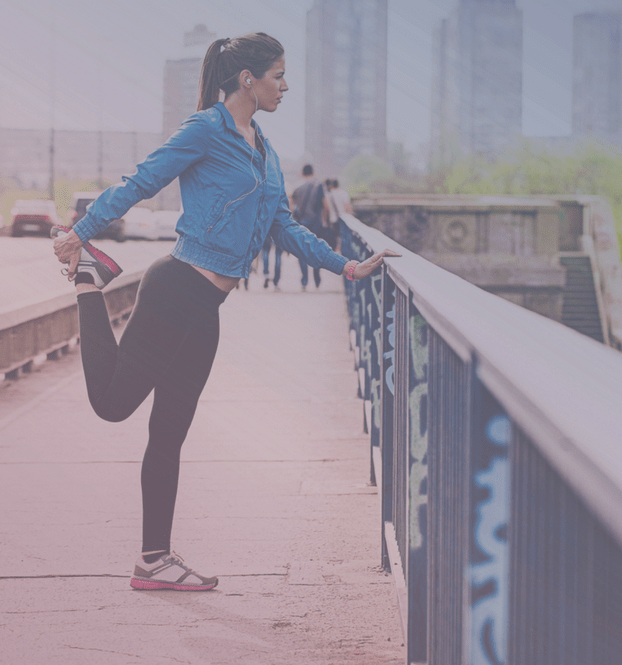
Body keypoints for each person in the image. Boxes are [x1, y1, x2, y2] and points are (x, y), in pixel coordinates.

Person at [50, 32, 398, 592]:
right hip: (176, 286)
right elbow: (141, 181)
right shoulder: (205, 130)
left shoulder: (265, 149)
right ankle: (90, 282)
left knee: (169, 433)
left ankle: (153, 561)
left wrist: (347, 268)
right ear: (247, 79)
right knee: (114, 405)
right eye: (278, 76)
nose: (285, 87)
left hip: (207, 306)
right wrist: (78, 234)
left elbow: (284, 226)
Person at [290, 164, 329, 290]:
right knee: (316, 249)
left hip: (301, 222)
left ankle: (304, 280)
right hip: (315, 222)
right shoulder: (318, 185)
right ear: (313, 172)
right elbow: (325, 205)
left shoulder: (296, 187)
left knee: (302, 251)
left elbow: (291, 206)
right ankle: (316, 274)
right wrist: (326, 221)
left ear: (302, 173)